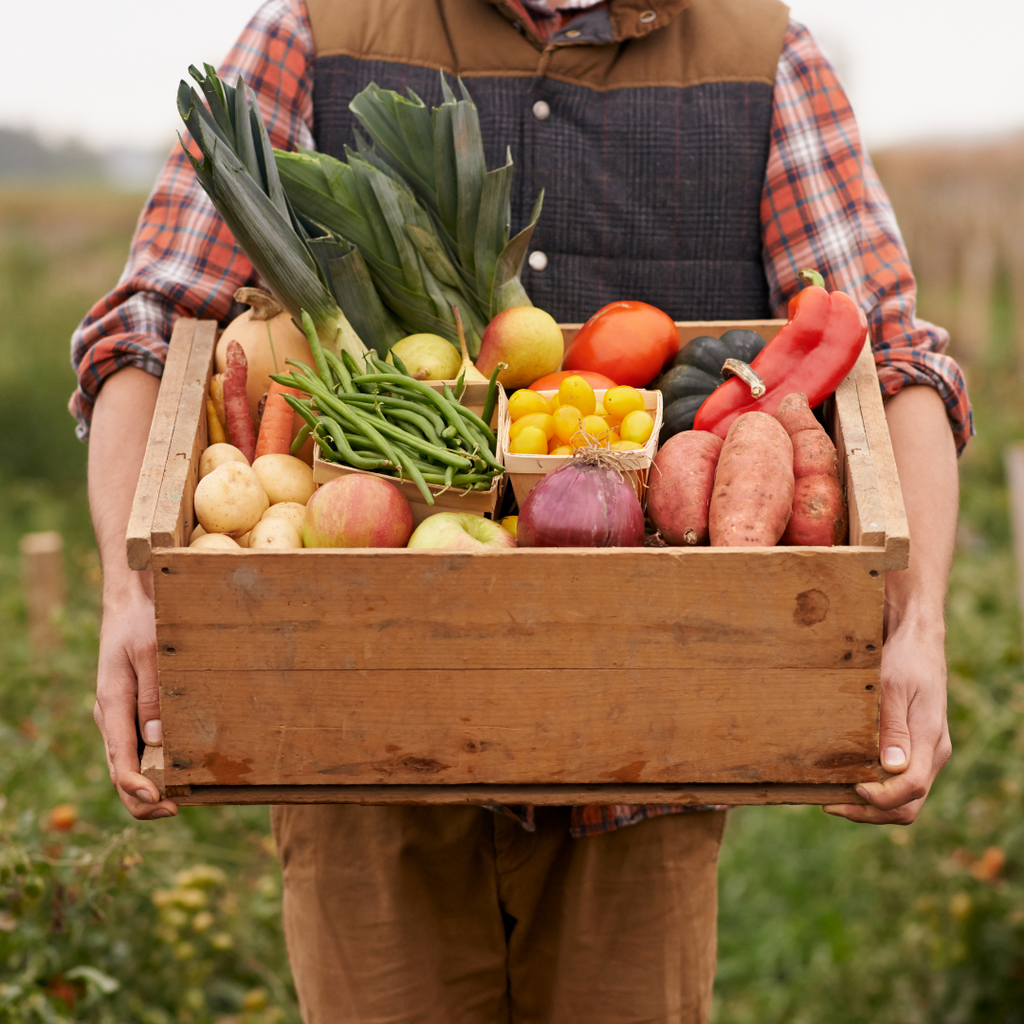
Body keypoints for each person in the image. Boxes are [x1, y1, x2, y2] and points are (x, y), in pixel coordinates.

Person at [72, 1, 970, 1020]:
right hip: (363, 747)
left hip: (651, 758)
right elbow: (149, 331)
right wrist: (129, 592)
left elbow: (893, 361)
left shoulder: (760, 52)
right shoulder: (313, 30)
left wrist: (918, 622)